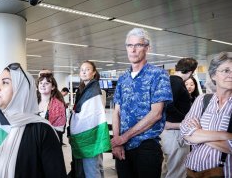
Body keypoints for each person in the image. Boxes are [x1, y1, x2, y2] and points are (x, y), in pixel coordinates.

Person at [111, 28, 173, 178]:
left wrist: (123, 137)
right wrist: (118, 142)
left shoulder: (158, 75)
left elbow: (156, 114)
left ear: (147, 48)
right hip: (123, 147)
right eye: (129, 45)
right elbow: (116, 111)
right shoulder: (123, 78)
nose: (132, 50)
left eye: (138, 45)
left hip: (146, 146)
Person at [180, 51, 232, 177]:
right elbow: (185, 130)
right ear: (213, 75)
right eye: (226, 70)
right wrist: (226, 135)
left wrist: (198, 133)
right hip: (192, 171)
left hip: (222, 173)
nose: (231, 75)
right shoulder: (203, 100)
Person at [69, 60, 111, 178]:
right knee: (97, 165)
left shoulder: (93, 90)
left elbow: (91, 113)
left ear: (93, 73)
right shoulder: (83, 89)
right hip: (91, 135)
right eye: (82, 70)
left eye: (87, 69)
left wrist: (76, 113)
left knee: (91, 168)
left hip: (90, 136)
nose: (84, 72)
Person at [161, 57, 198, 178]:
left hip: (170, 132)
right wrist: (185, 119)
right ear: (191, 72)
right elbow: (167, 105)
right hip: (174, 133)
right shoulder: (176, 82)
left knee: (169, 168)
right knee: (177, 170)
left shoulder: (169, 80)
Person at [37, 73, 66, 145]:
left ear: (53, 87)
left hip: (50, 142)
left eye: (46, 83)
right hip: (33, 142)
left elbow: (59, 128)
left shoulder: (58, 105)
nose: (43, 85)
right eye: (41, 83)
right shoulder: (31, 103)